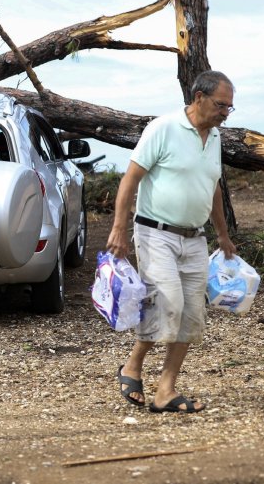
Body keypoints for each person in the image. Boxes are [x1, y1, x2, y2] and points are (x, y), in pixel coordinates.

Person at [106, 70, 238, 414]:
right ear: (198, 97)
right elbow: (130, 179)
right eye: (221, 105)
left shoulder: (215, 139)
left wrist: (222, 235)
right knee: (169, 304)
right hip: (155, 232)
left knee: (192, 317)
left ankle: (166, 390)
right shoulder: (163, 128)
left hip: (194, 238)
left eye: (230, 108)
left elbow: (212, 190)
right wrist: (119, 228)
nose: (226, 113)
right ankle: (132, 366)